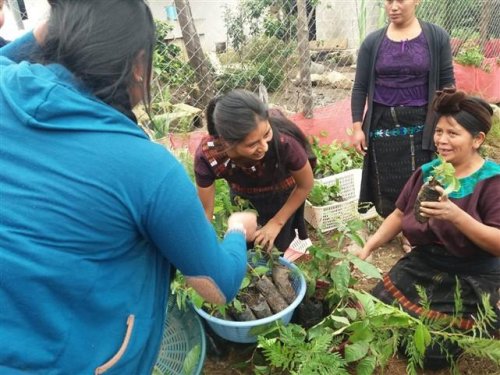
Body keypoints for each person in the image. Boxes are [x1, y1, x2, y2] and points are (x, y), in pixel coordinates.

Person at [0, 1, 258, 373]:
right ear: (138, 65)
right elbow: (216, 286)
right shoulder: (147, 168)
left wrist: (71, 18)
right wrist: (237, 228)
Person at [356, 89, 500, 369]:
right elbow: (399, 214)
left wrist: (456, 216)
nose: (442, 141)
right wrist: (369, 246)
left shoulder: (492, 182)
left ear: (477, 139)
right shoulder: (429, 172)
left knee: (431, 355)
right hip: (427, 261)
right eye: (438, 131)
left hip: (473, 271)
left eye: (453, 133)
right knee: (374, 313)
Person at [351, 0, 455, 252]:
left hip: (423, 121)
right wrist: (357, 127)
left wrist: (447, 126)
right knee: (386, 177)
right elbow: (360, 86)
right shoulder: (373, 42)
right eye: (388, 1)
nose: (393, 6)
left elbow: (447, 83)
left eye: (400, 0)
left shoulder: (436, 37)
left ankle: (414, 230)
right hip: (382, 123)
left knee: (421, 175)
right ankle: (395, 225)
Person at [194, 89, 316, 252]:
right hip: (243, 196)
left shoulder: (284, 142)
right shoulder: (209, 156)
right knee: (246, 242)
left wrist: (276, 222)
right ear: (226, 142)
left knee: (275, 246)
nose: (264, 147)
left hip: (282, 194)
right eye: (252, 144)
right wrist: (204, 250)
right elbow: (205, 213)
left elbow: (305, 185)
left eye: (266, 134)